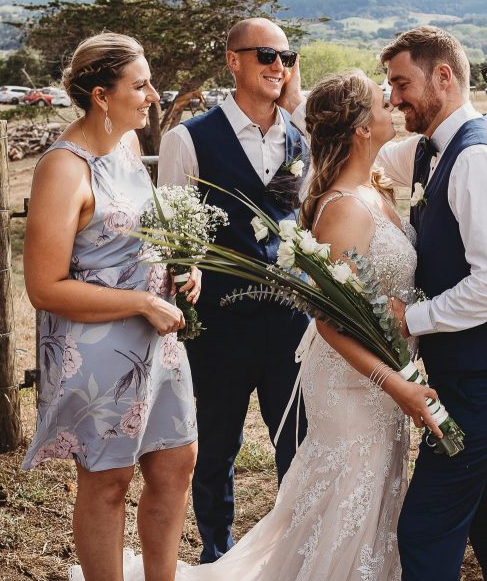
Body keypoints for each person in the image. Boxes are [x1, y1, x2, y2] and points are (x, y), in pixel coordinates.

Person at [115, 71, 442, 580]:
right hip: (356, 388)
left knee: (373, 502)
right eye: (383, 104)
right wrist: (396, 382)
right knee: (346, 502)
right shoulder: (344, 210)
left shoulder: (376, 189)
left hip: (386, 385)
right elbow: (332, 323)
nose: (393, 109)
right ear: (360, 128)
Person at [283, 26, 487, 580]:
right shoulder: (426, 150)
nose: (394, 100)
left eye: (400, 85)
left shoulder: (475, 159)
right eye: (386, 94)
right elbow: (338, 132)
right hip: (430, 375)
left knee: (425, 527)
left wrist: (413, 318)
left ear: (443, 78)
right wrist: (290, 93)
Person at [22, 33, 198, 581]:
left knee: (176, 463)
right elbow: (43, 286)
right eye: (140, 84)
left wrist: (178, 265)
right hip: (96, 350)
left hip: (156, 336)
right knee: (109, 482)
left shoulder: (124, 148)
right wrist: (141, 299)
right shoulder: (63, 167)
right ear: (102, 95)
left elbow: (133, 235)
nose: (152, 93)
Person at [157, 18, 310, 563]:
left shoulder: (300, 138)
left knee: (295, 443)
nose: (278, 66)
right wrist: (185, 271)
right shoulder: (189, 139)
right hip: (218, 324)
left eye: (287, 58)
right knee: (217, 447)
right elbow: (173, 236)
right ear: (233, 61)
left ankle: (293, 556)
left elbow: (302, 224)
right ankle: (216, 556)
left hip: (291, 322)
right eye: (266, 55)